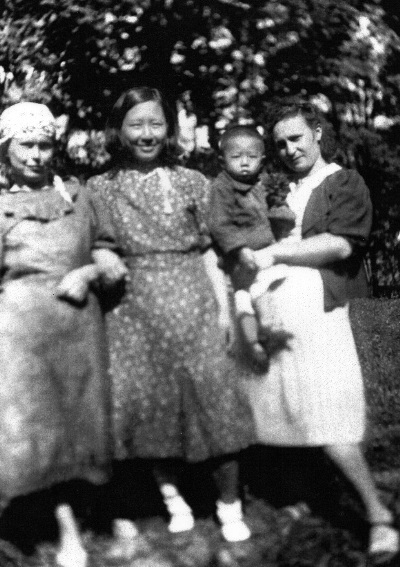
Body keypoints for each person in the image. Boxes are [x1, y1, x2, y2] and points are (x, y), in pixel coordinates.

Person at [86, 87, 255, 556]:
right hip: (132, 310)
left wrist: (222, 308)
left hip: (193, 299)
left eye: (155, 124)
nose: (147, 134)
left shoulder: (194, 182)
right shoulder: (99, 188)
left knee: (214, 397)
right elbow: (92, 243)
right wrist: (100, 253)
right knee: (151, 406)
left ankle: (229, 506)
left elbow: (209, 249)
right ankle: (173, 500)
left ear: (169, 129)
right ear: (118, 131)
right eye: (136, 124)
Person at [242, 98, 399, 564]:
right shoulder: (277, 190)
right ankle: (303, 496)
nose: (289, 149)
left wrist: (275, 254)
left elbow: (342, 244)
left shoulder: (341, 182)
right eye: (279, 144)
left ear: (317, 134)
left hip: (319, 307)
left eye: (296, 138)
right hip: (276, 308)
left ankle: (378, 516)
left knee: (330, 412)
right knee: (285, 404)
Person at [0, 102, 127, 567]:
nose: (36, 155)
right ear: (6, 149)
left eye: (44, 145)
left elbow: (110, 254)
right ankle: (64, 528)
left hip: (78, 327)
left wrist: (88, 272)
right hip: (21, 333)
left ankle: (108, 511)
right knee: (39, 425)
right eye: (26, 146)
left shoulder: (78, 195)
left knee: (86, 419)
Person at [208, 124, 295, 366]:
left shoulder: (262, 183)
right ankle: (265, 329)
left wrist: (282, 213)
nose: (244, 163)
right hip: (239, 255)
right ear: (223, 160)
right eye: (236, 157)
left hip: (264, 251)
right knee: (254, 292)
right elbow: (219, 223)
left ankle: (256, 341)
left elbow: (276, 207)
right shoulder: (222, 188)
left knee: (245, 298)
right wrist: (239, 248)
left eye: (252, 157)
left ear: (262, 159)